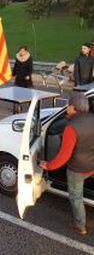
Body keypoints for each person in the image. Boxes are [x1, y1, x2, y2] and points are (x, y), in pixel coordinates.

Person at [39, 92, 93, 236]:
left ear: (73, 107)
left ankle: (80, 225)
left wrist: (48, 165)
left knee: (76, 197)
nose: (67, 108)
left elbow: (64, 156)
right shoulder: (92, 118)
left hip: (77, 169)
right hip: (91, 166)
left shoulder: (71, 128)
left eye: (68, 105)